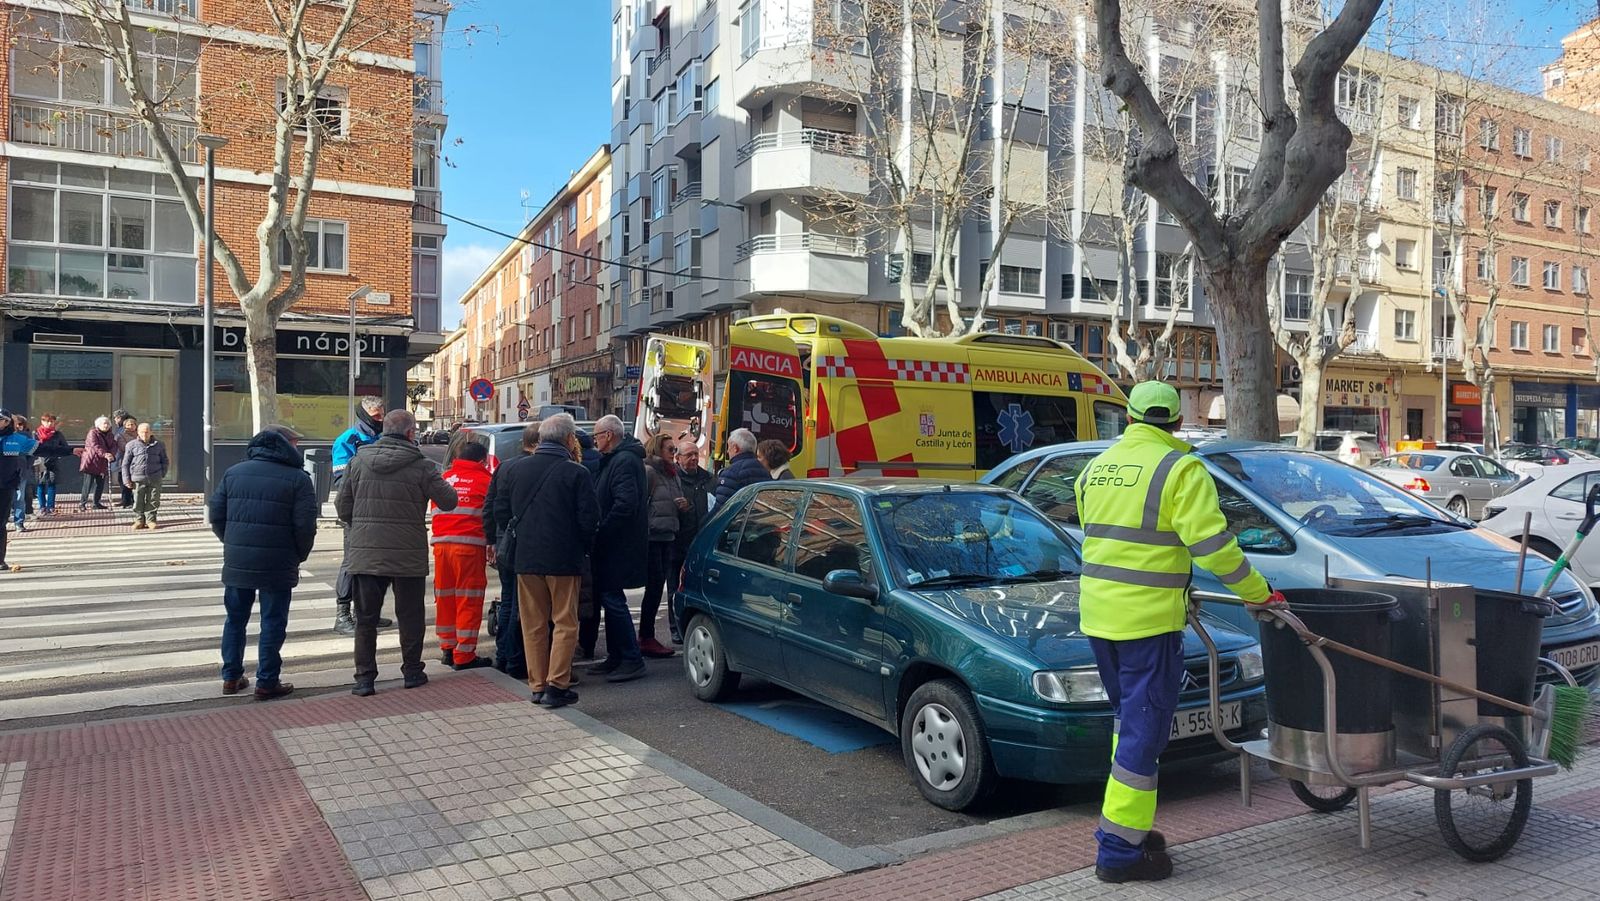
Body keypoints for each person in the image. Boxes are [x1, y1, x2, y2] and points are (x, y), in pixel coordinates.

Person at [1072, 382, 1283, 884]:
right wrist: (1259, 593)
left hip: (1099, 617)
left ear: (1129, 418)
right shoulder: (1180, 469)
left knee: (1128, 724)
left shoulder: (1096, 468)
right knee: (1144, 732)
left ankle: (1129, 831)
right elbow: (1212, 548)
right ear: (1175, 421)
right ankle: (1119, 851)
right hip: (1148, 622)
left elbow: (1099, 534)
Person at [336, 409, 457, 697]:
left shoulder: (358, 461)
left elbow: (343, 508)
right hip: (407, 555)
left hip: (366, 555)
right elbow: (449, 501)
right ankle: (412, 672)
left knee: (365, 619)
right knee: (411, 615)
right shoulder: (422, 466)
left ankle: (364, 680)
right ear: (411, 433)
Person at [492, 415, 599, 707]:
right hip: (564, 558)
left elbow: (500, 511)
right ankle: (557, 685)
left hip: (525, 558)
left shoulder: (514, 469)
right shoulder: (576, 473)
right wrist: (582, 546)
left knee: (532, 623)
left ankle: (537, 685)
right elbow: (589, 519)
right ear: (568, 440)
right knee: (565, 621)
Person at [209, 425, 317, 700]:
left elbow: (216, 515)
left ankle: (231, 677)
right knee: (273, 621)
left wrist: (232, 542)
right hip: (278, 560)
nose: (297, 448)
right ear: (284, 445)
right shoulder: (298, 479)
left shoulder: (234, 472)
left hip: (238, 559)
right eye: (294, 443)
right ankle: (267, 681)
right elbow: (305, 527)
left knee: (235, 619)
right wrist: (298, 555)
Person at [586, 415, 648, 682]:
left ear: (609, 435)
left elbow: (625, 504)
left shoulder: (623, 461)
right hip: (615, 543)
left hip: (617, 544)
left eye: (597, 435)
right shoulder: (617, 459)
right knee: (609, 600)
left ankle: (631, 658)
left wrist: (602, 530)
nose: (595, 440)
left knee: (613, 600)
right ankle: (617, 656)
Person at [431, 440, 494, 671]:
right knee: (469, 599)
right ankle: (464, 654)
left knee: (445, 598)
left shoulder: (445, 478)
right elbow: (490, 514)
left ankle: (447, 648)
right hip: (469, 546)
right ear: (482, 460)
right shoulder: (486, 480)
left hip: (441, 546)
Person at [330, 396, 388, 636]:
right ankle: (342, 615)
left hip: (381, 512)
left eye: (383, 414)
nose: (381, 419)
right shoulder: (347, 440)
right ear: (364, 415)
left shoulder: (383, 438)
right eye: (376, 416)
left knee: (376, 563)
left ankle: (367, 612)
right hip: (356, 512)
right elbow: (341, 482)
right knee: (351, 562)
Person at [638, 434, 686, 658]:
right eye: (670, 448)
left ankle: (646, 635)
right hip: (652, 538)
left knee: (659, 588)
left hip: (668, 535)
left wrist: (685, 505)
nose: (673, 452)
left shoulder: (672, 474)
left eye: (675, 448)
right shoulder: (649, 472)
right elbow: (641, 505)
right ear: (657, 449)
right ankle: (645, 636)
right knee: (655, 586)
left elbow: (677, 500)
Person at [668, 439, 713, 644]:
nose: (694, 458)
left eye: (695, 454)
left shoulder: (709, 479)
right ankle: (675, 628)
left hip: (701, 543)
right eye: (688, 455)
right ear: (678, 458)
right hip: (678, 543)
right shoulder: (673, 479)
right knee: (675, 588)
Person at [121, 421, 169, 530]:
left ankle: (151, 520)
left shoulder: (159, 444)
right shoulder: (131, 445)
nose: (144, 435)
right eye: (142, 432)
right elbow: (125, 464)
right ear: (138, 432)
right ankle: (139, 520)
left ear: (151, 432)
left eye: (147, 432)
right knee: (138, 500)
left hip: (155, 477)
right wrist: (126, 479)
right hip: (138, 477)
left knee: (153, 499)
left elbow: (165, 460)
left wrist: (162, 473)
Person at [714, 428, 771, 506]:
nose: (727, 451)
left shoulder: (730, 473)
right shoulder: (764, 470)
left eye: (728, 446)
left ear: (735, 448)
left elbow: (721, 508)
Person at [33, 414, 71, 516]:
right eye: (48, 421)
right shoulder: (36, 434)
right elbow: (32, 447)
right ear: (42, 422)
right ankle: (42, 507)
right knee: (40, 484)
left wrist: (59, 453)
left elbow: (65, 447)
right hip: (40, 461)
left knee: (52, 484)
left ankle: (51, 507)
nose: (50, 423)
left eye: (52, 421)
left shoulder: (57, 434)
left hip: (53, 461)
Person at [78, 416, 117, 511]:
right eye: (104, 423)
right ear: (98, 425)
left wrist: (111, 454)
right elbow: (95, 446)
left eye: (108, 423)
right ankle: (82, 503)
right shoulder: (93, 433)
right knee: (88, 483)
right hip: (92, 461)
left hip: (102, 462)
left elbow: (113, 445)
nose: (106, 425)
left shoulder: (110, 434)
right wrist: (105, 454)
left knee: (100, 483)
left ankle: (96, 502)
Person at [0, 412, 19, 572]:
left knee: (0, 523)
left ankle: (0, 560)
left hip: (5, 486)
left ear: (7, 422)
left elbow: (39, 447)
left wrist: (68, 450)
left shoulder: (14, 439)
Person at [9, 415, 34, 532]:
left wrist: (27, 466)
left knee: (19, 497)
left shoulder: (24, 436)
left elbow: (32, 453)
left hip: (20, 470)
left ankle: (19, 522)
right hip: (5, 472)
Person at [112, 413, 138, 509]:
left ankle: (130, 501)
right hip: (123, 460)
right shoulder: (121, 434)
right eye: (128, 425)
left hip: (136, 462)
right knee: (123, 481)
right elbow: (123, 447)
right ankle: (126, 501)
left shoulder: (139, 434)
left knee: (132, 481)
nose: (130, 426)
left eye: (132, 425)